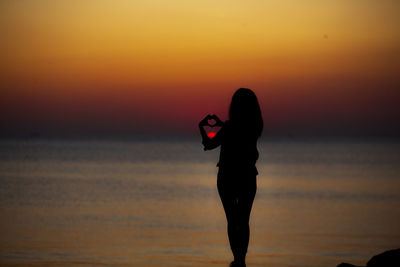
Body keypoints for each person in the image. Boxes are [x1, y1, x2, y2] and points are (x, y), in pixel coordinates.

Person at [199, 88, 263, 267]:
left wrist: (202, 126)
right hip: (248, 176)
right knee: (244, 219)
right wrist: (224, 126)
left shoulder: (229, 127)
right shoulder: (255, 127)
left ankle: (237, 260)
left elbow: (209, 145)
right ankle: (241, 260)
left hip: (227, 176)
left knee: (232, 219)